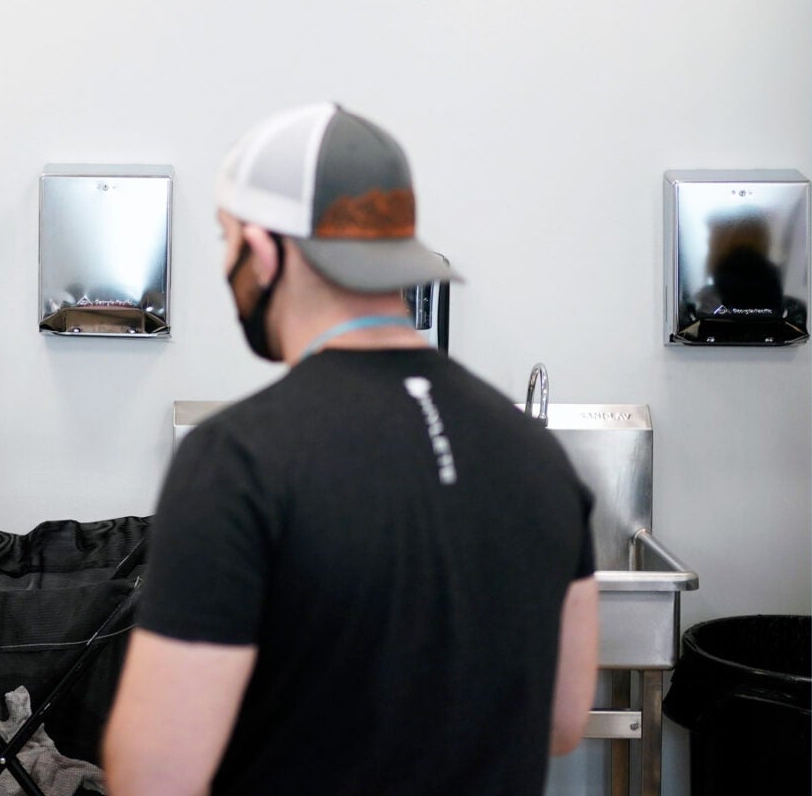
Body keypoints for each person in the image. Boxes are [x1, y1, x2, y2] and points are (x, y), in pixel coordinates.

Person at [103, 103, 598, 796]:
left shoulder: (237, 463)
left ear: (265, 249)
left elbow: (155, 776)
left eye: (226, 239)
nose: (226, 265)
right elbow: (564, 719)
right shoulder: (537, 457)